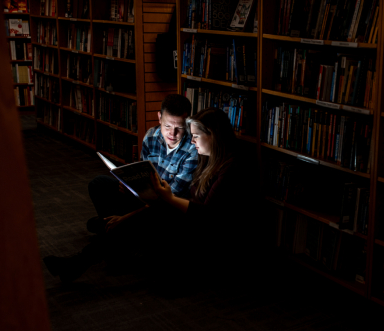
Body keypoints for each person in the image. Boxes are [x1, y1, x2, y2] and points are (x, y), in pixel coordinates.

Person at [43, 108, 256, 284]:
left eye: (197, 136)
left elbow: (208, 218)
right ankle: (109, 240)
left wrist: (166, 199)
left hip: (206, 239)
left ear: (214, 136)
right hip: (184, 219)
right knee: (105, 189)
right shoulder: (208, 161)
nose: (192, 141)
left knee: (156, 212)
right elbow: (189, 202)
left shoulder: (231, 170)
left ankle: (85, 258)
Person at [86, 94, 198, 234]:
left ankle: (116, 228)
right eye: (167, 126)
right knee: (98, 184)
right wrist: (128, 185)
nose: (172, 133)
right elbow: (141, 176)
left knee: (98, 224)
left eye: (179, 128)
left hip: (166, 208)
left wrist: (124, 218)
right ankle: (121, 229)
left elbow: (167, 201)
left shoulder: (192, 150)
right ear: (159, 117)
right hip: (144, 199)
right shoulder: (151, 136)